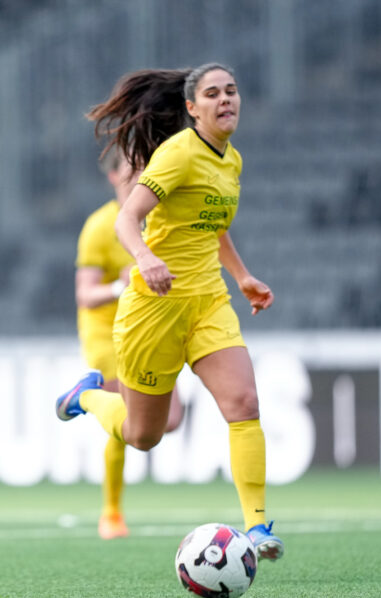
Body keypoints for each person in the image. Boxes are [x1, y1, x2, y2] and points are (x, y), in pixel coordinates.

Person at [56, 64, 284, 560]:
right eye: (213, 93)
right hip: (152, 311)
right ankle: (88, 398)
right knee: (143, 436)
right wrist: (145, 257)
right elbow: (127, 217)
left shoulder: (231, 162)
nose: (226, 99)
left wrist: (242, 275)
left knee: (243, 403)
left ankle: (259, 527)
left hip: (207, 304)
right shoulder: (177, 155)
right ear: (191, 108)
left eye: (232, 90)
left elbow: (212, 225)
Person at [74, 148, 184, 540]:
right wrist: (122, 284)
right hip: (106, 334)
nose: (140, 175)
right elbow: (85, 295)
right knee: (130, 417)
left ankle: (84, 398)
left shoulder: (157, 218)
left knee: (170, 420)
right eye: (132, 168)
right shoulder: (99, 227)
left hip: (148, 326)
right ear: (113, 176)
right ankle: (111, 514)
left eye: (145, 167)